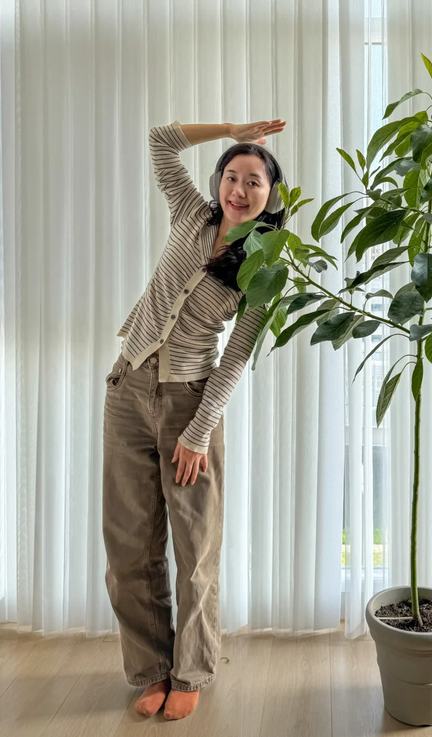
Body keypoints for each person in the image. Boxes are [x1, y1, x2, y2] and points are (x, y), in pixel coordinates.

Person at [102, 118, 288, 721]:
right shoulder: (190, 212)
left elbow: (237, 354)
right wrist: (234, 129)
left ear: (271, 195)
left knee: (195, 548)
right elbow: (158, 139)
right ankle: (150, 670)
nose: (239, 188)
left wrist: (198, 430)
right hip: (127, 388)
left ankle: (190, 670)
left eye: (254, 181)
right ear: (217, 182)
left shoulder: (266, 265)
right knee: (130, 547)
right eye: (231, 176)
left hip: (189, 401)